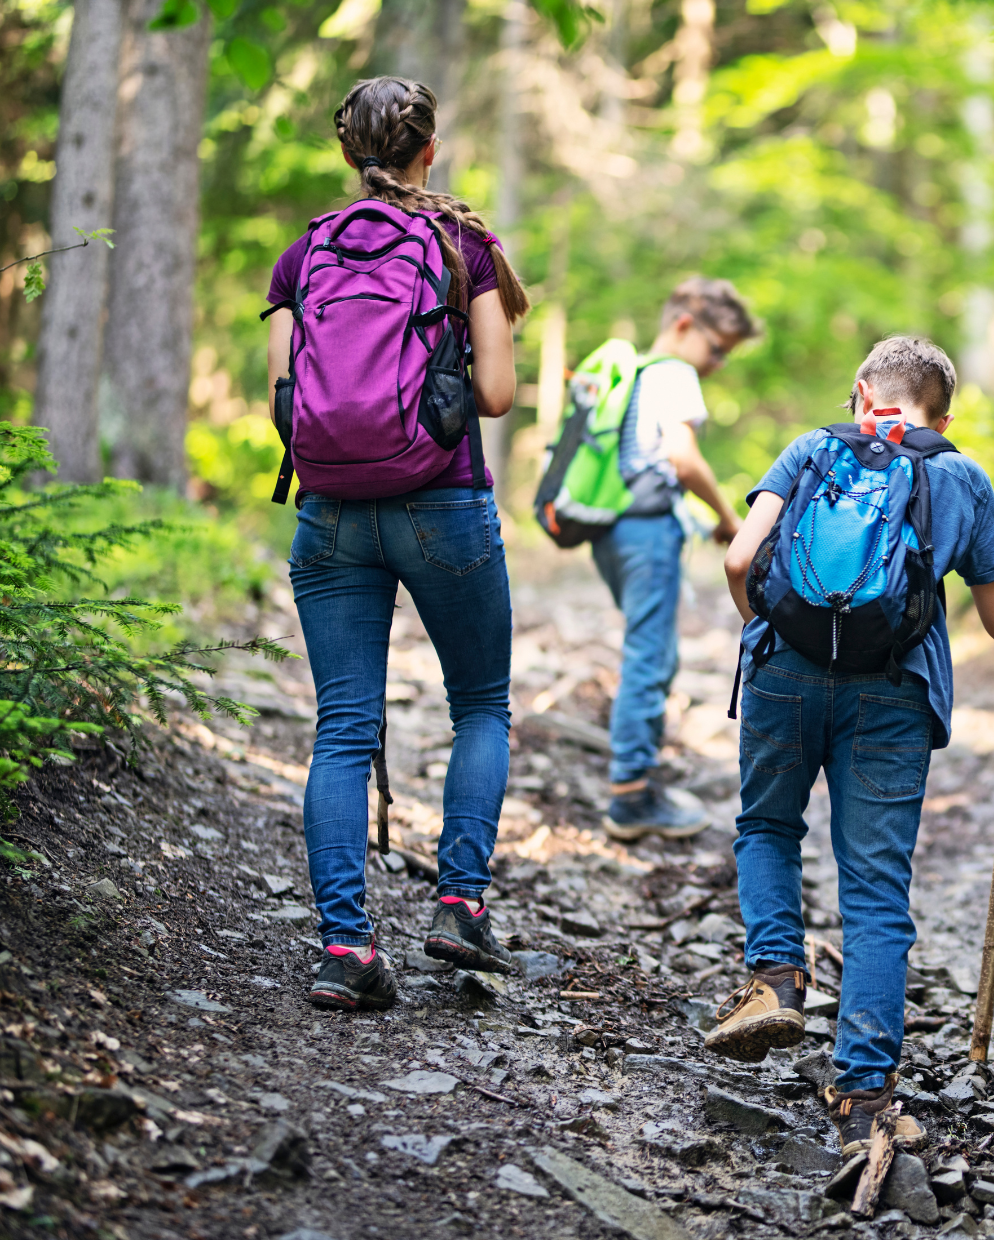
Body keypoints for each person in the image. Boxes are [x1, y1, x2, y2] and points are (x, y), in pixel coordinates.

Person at [712, 336, 994, 1158]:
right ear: (944, 414)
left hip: (782, 676)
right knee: (875, 891)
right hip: (893, 694)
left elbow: (738, 557)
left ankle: (776, 977)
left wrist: (775, 637)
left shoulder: (808, 451)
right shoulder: (962, 476)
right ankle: (862, 1095)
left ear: (862, 392)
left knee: (766, 828)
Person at [265, 76, 530, 1011]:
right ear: (431, 150)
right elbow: (495, 398)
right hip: (443, 504)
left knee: (342, 730)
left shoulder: (305, 253)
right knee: (481, 708)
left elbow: (284, 403)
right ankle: (459, 903)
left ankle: (347, 949)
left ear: (349, 153)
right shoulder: (466, 246)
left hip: (329, 514)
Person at [595, 278, 757, 841]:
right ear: (686, 325)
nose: (717, 363)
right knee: (651, 657)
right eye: (717, 349)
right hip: (648, 531)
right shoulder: (674, 373)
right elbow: (682, 457)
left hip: (613, 529)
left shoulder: (636, 373)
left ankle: (635, 781)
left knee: (647, 650)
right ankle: (632, 795)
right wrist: (728, 515)